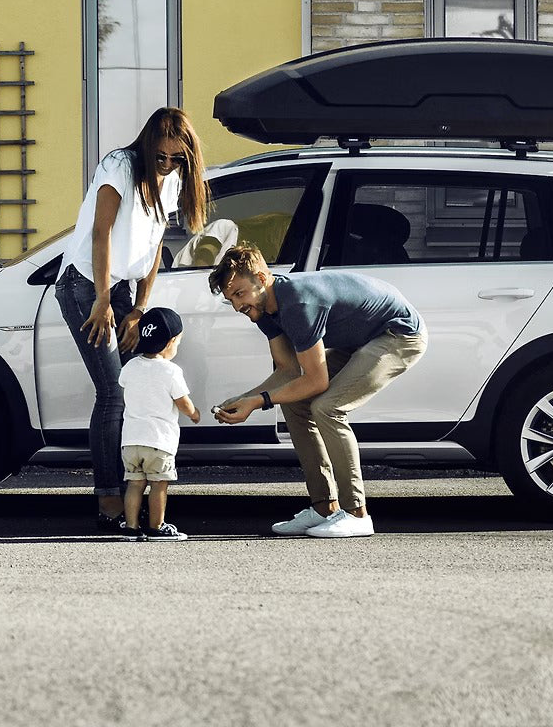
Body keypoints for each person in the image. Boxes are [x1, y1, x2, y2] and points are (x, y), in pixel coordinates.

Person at [55, 108, 208, 532]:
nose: (168, 164)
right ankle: (109, 502)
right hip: (84, 285)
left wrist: (140, 306)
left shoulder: (173, 181)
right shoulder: (119, 165)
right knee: (113, 391)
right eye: (162, 156)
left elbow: (156, 244)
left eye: (178, 159)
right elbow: (102, 232)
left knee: (137, 383)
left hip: (119, 288)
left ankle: (133, 497)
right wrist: (103, 300)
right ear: (148, 144)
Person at [211, 244, 426, 539]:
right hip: (361, 337)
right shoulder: (263, 311)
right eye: (231, 299)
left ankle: (357, 514)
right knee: (294, 403)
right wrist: (245, 398)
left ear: (261, 278)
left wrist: (258, 401)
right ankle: (325, 507)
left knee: (328, 407)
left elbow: (316, 382)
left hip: (398, 333)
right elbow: (288, 372)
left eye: (239, 294)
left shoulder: (298, 304)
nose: (237, 306)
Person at [118, 306, 200, 541]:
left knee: (134, 484)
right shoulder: (171, 371)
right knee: (158, 485)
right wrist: (195, 414)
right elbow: (183, 403)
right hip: (159, 442)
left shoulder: (130, 366)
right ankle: (156, 526)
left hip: (131, 441)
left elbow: (124, 385)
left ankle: (131, 527)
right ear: (170, 342)